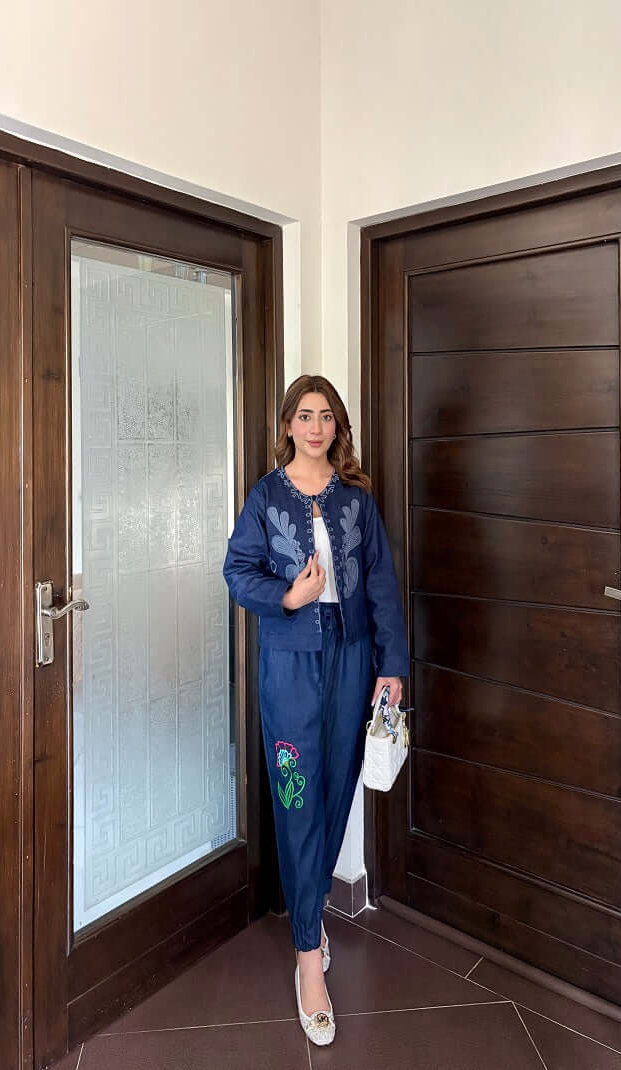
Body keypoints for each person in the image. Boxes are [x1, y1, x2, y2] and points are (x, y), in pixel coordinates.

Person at [222, 374, 409, 1046]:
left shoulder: (356, 502)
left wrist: (390, 666)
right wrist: (289, 598)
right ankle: (309, 958)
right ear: (287, 424)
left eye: (325, 416)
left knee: (335, 790)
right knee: (296, 793)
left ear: (337, 427)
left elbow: (382, 586)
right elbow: (237, 571)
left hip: (352, 657)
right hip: (289, 662)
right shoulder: (266, 495)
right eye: (304, 415)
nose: (314, 427)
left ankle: (308, 919)